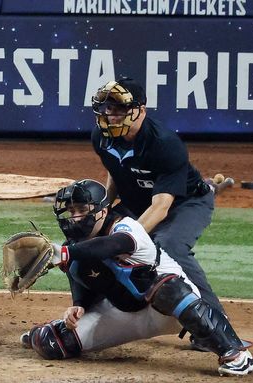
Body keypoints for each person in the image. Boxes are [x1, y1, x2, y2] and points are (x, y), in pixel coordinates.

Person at [20, 179, 253, 376]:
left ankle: (236, 354)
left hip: (172, 308)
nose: (74, 217)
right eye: (71, 212)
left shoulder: (126, 228)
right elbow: (81, 277)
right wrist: (79, 305)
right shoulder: (73, 249)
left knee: (167, 287)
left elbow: (111, 246)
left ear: (103, 211)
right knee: (52, 343)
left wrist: (65, 253)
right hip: (124, 315)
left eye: (82, 210)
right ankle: (47, 334)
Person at [89, 78, 224, 349]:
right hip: (138, 203)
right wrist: (104, 211)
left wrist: (126, 238)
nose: (111, 116)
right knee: (93, 236)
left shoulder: (164, 144)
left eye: (118, 109)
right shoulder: (102, 137)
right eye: (107, 109)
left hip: (185, 204)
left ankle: (213, 326)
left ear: (141, 109)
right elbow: (115, 174)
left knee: (169, 246)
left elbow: (161, 207)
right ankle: (91, 310)